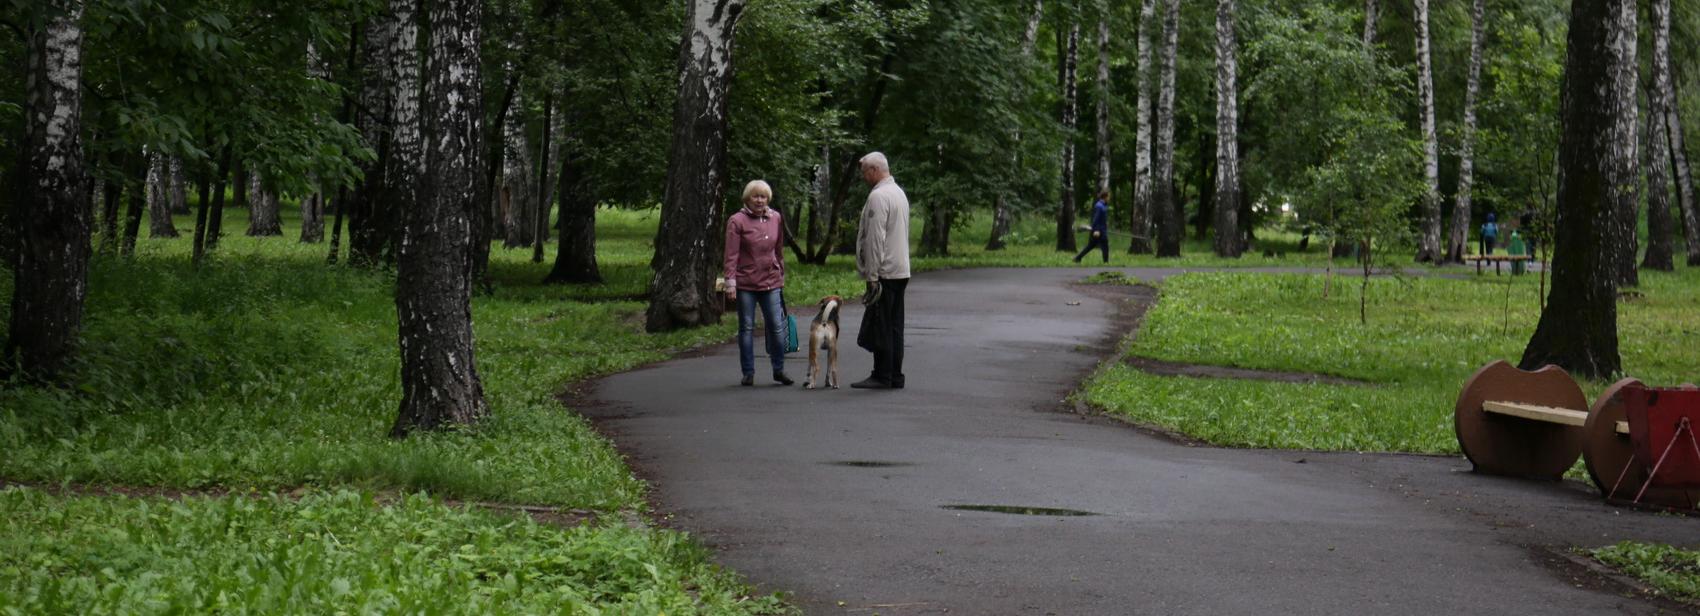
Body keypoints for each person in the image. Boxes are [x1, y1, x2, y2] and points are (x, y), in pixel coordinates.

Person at [724, 180, 793, 387]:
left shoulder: (776, 218)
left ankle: (779, 370)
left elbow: (779, 249)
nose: (760, 200)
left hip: (771, 281)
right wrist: (730, 282)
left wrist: (781, 271)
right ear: (747, 198)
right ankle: (748, 373)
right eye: (755, 196)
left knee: (777, 327)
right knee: (746, 327)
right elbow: (731, 254)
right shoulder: (737, 221)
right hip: (746, 283)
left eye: (763, 196)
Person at [852, 152, 910, 390]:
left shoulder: (878, 196)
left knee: (881, 324)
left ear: (875, 170)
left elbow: (875, 239)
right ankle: (895, 374)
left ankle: (881, 374)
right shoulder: (898, 193)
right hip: (900, 269)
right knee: (895, 325)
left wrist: (872, 276)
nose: (864, 177)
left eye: (865, 172)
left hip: (884, 270)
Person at [1073, 190, 1111, 264]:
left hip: (1102, 230)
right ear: (1105, 197)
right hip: (1099, 231)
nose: (1109, 198)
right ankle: (1106, 263)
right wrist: (1096, 230)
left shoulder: (1103, 205)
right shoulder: (1099, 206)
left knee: (1091, 246)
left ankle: (1077, 258)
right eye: (1108, 196)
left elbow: (1102, 218)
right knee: (1105, 246)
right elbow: (1096, 219)